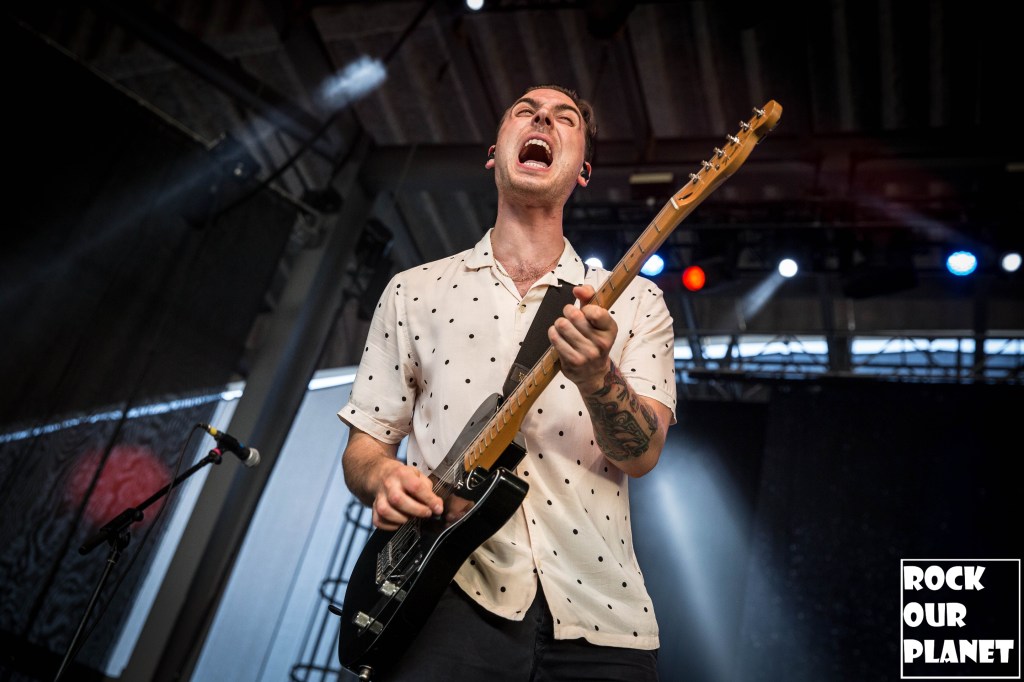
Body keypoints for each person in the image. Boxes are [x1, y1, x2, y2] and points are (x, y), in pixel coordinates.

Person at [338, 84, 677, 681]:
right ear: (494, 154)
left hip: (602, 615)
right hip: (445, 596)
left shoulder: (634, 302)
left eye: (565, 118)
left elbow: (641, 454)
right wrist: (384, 479)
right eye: (525, 111)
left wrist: (597, 377)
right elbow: (365, 448)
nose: (543, 117)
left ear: (583, 170)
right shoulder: (413, 291)